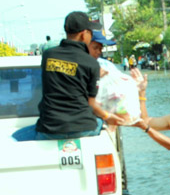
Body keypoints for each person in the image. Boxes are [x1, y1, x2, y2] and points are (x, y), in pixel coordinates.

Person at [12, 12, 124, 142]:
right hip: (85, 128)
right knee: (100, 123)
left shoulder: (48, 56)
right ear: (84, 34)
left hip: (50, 129)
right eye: (91, 33)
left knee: (13, 138)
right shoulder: (91, 63)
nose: (91, 36)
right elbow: (91, 104)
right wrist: (108, 116)